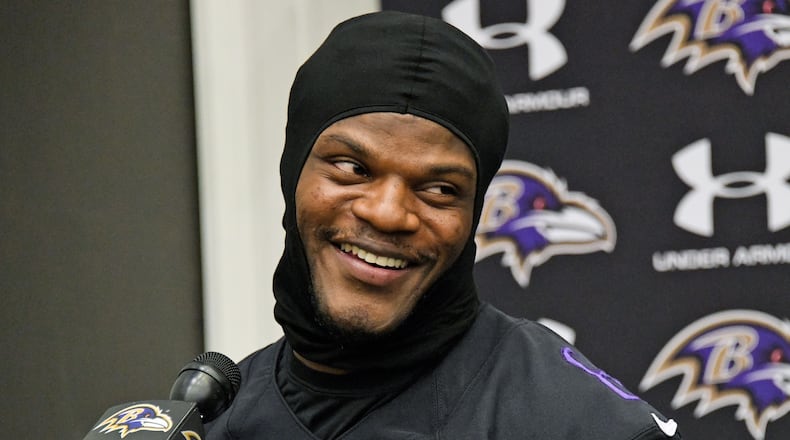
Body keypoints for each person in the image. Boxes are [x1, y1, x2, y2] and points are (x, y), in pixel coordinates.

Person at [206, 10, 681, 439]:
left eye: (438, 189)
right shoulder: (212, 418)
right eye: (352, 168)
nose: (388, 212)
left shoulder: (572, 422)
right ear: (293, 173)